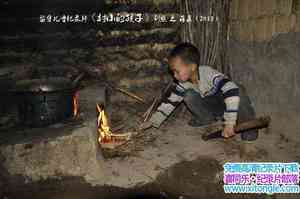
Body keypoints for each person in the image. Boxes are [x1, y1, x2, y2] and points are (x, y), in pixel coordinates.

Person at [139, 42, 258, 141]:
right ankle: (206, 118)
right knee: (188, 95)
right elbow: (170, 103)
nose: (174, 76)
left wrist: (230, 123)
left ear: (192, 67)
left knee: (237, 89)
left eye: (177, 71)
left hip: (229, 105)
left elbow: (231, 90)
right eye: (173, 72)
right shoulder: (183, 83)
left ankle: (249, 127)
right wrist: (152, 121)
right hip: (214, 108)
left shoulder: (208, 74)